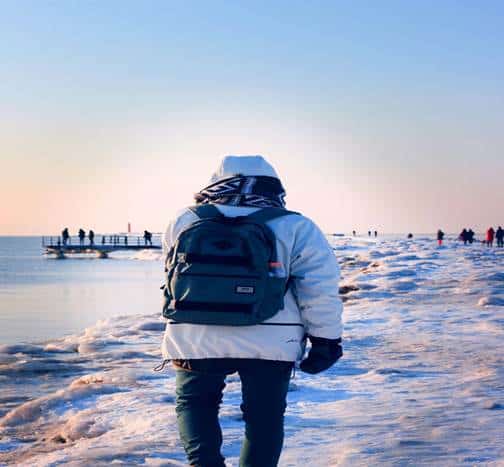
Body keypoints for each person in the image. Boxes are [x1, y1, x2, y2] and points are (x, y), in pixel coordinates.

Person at [160, 155, 343, 467]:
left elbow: (171, 275)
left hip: (195, 335)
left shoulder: (185, 220)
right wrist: (326, 340)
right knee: (264, 417)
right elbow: (319, 287)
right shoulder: (295, 225)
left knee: (195, 405)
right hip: (271, 341)